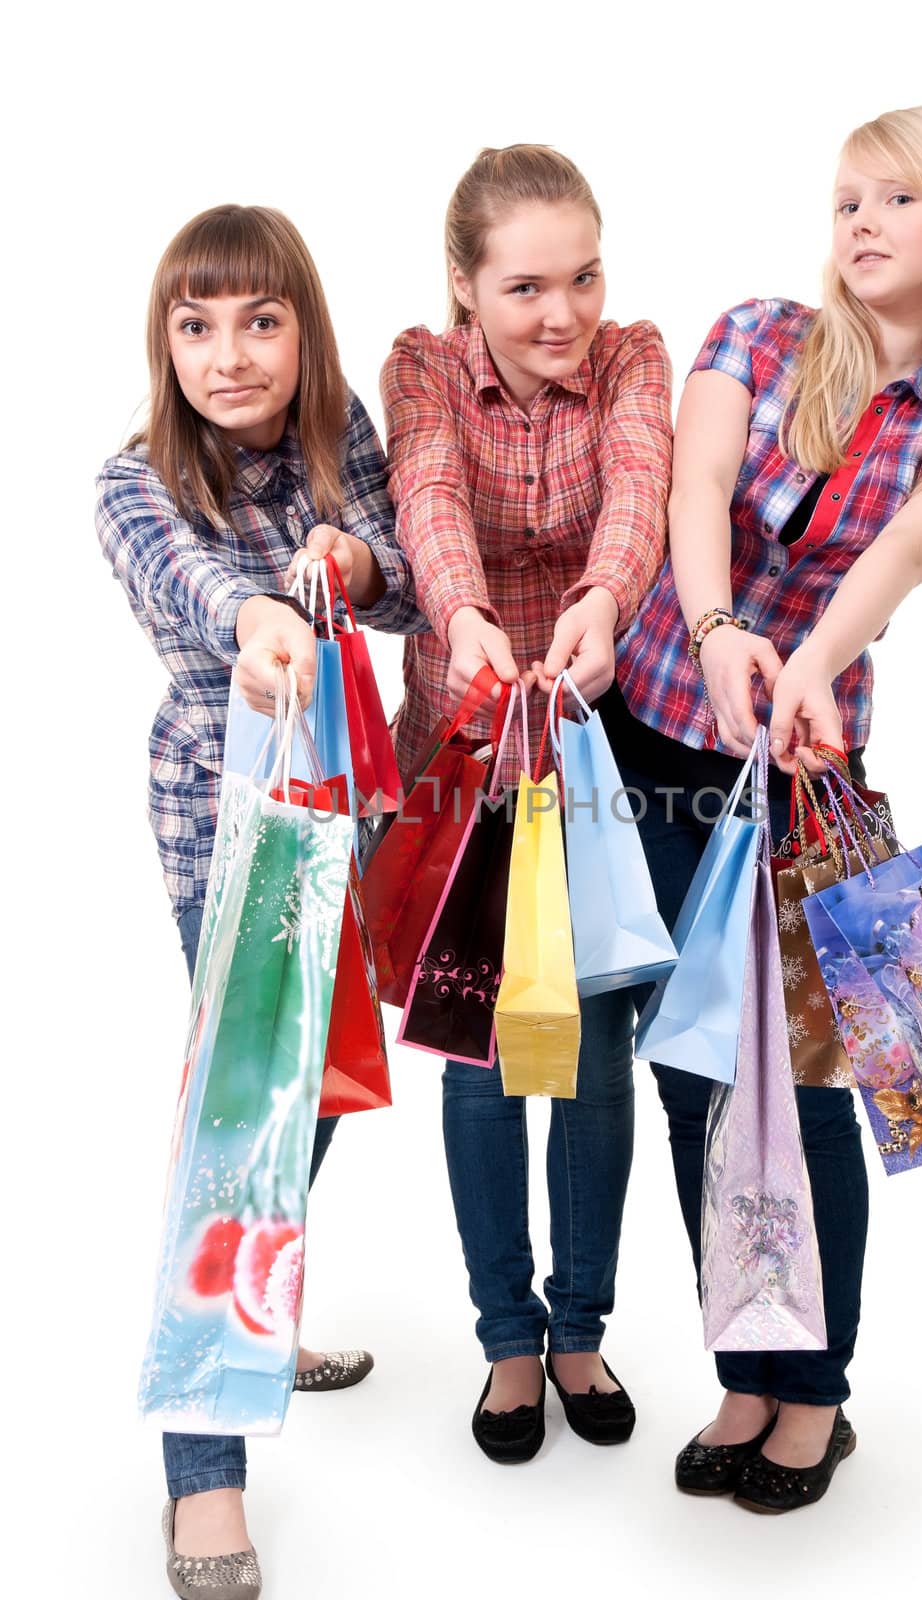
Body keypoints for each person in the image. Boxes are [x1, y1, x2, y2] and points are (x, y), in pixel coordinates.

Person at [601, 103, 922, 1512]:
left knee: (799, 1086)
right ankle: (742, 1363)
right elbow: (698, 485)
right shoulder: (759, 334)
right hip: (652, 731)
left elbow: (889, 567)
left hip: (792, 773)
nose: (860, 222)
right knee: (688, 1075)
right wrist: (722, 630)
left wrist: (804, 673)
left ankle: (815, 1393)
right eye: (847, 197)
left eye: (896, 199)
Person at [96, 204, 423, 1598]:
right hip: (224, 826)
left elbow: (406, 576)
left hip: (346, 816)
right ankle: (204, 1479)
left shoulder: (340, 438)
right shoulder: (130, 480)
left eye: (260, 321)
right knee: (243, 1123)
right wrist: (265, 617)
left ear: (303, 328)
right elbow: (197, 584)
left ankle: (260, 1302)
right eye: (196, 324)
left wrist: (354, 563)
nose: (227, 356)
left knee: (313, 1094)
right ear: (166, 343)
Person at [352, 144, 671, 1461]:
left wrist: (603, 602)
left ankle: (580, 1326)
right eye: (528, 285)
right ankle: (503, 1344)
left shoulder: (636, 357)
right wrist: (470, 620)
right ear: (464, 288)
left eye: (583, 276)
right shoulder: (423, 367)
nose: (563, 313)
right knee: (482, 1062)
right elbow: (426, 494)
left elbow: (641, 490)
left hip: (592, 761)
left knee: (593, 1061)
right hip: (461, 755)